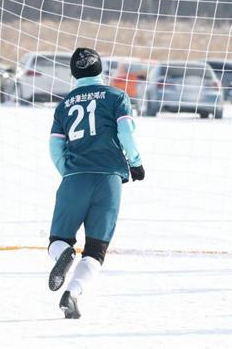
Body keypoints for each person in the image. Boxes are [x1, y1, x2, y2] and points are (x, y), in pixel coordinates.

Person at [47, 47, 145, 319]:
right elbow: (125, 130)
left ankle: (64, 253)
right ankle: (73, 293)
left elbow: (55, 147)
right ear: (100, 69)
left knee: (57, 240)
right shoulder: (116, 96)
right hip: (110, 179)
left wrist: (69, 172)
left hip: (75, 178)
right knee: (96, 250)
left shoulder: (64, 104)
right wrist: (135, 163)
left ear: (73, 72)